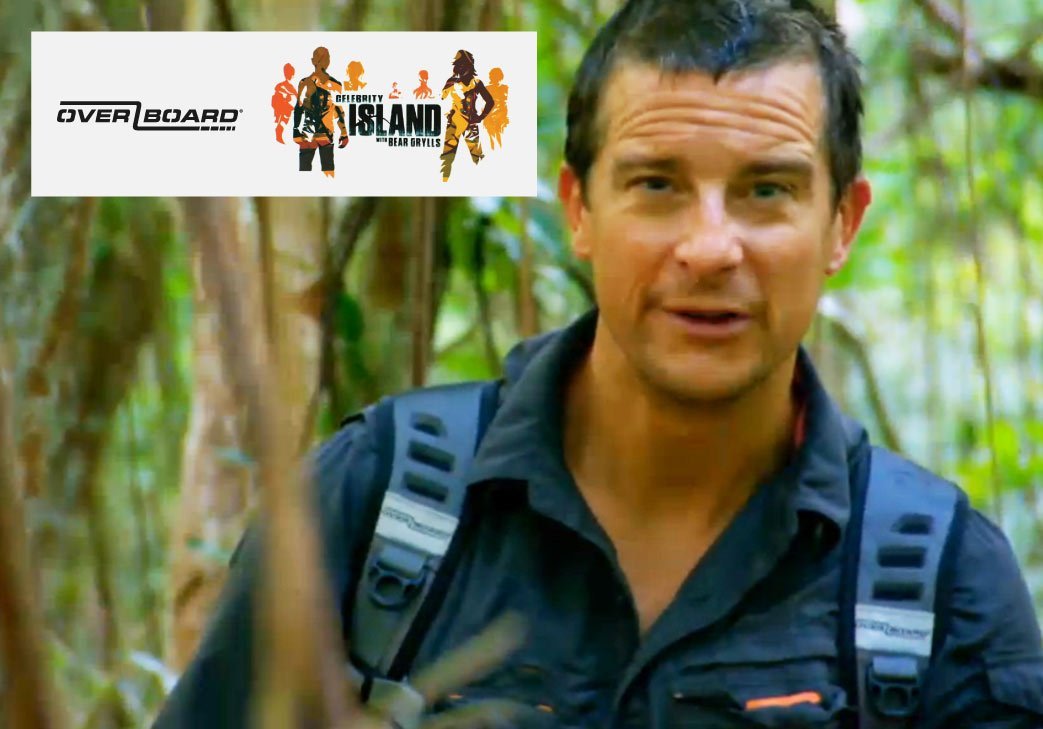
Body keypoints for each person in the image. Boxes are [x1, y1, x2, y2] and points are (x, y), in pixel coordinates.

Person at [153, 1, 1043, 727]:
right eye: (656, 184)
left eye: (765, 190)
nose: (708, 247)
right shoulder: (378, 503)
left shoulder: (940, 588)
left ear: (841, 223)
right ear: (577, 208)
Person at [439, 49, 495, 182]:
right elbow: (441, 98)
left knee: (477, 156)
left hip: (470, 123)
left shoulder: (476, 83)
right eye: (458, 64)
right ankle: (444, 181)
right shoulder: (452, 82)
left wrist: (480, 117)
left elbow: (490, 101)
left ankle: (484, 184)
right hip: (454, 123)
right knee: (447, 156)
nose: (461, 67)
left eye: (463, 64)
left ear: (470, 65)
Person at [293, 46, 348, 178]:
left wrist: (295, 131)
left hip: (307, 135)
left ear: (313, 61)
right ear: (327, 61)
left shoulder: (304, 82)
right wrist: (344, 133)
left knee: (304, 172)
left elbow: (298, 108)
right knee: (328, 172)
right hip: (325, 134)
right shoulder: (336, 85)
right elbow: (338, 111)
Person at [482, 66, 509, 150]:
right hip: (489, 116)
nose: (495, 78)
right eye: (493, 76)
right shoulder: (487, 88)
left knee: (499, 135)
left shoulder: (505, 88)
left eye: (497, 76)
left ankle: (500, 150)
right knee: (491, 137)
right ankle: (495, 151)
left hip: (501, 115)